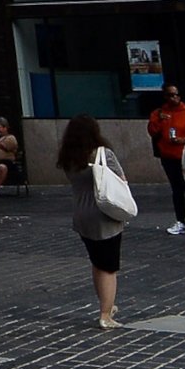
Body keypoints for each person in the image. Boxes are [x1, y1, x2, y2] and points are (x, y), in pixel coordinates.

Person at [59, 114, 130, 329]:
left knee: (97, 262)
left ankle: (106, 305)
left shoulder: (68, 158)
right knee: (109, 266)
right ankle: (105, 314)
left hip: (81, 213)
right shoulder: (102, 153)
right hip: (103, 213)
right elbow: (121, 179)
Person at [146, 85, 185, 236]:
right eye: (170, 95)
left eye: (176, 95)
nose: (173, 98)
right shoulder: (159, 113)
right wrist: (159, 121)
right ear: (165, 97)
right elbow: (153, 132)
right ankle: (180, 220)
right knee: (176, 190)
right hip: (168, 157)